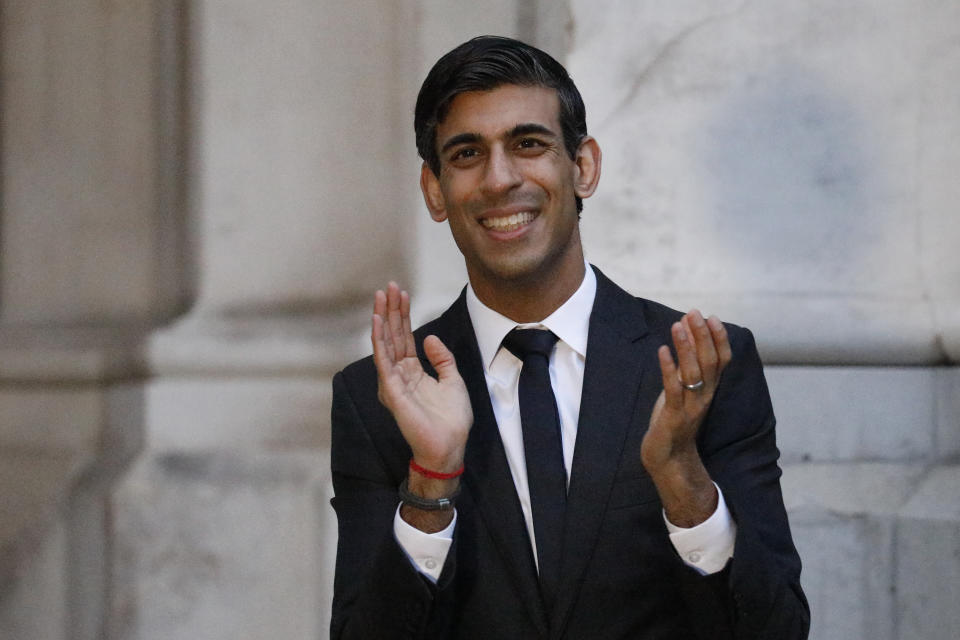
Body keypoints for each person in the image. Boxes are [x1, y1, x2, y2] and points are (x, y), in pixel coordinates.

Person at [330, 35, 809, 639]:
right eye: (467, 154)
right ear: (434, 189)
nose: (500, 179)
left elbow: (777, 629)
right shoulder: (376, 397)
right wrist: (430, 481)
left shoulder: (704, 368)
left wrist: (682, 480)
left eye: (528, 144)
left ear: (582, 167)